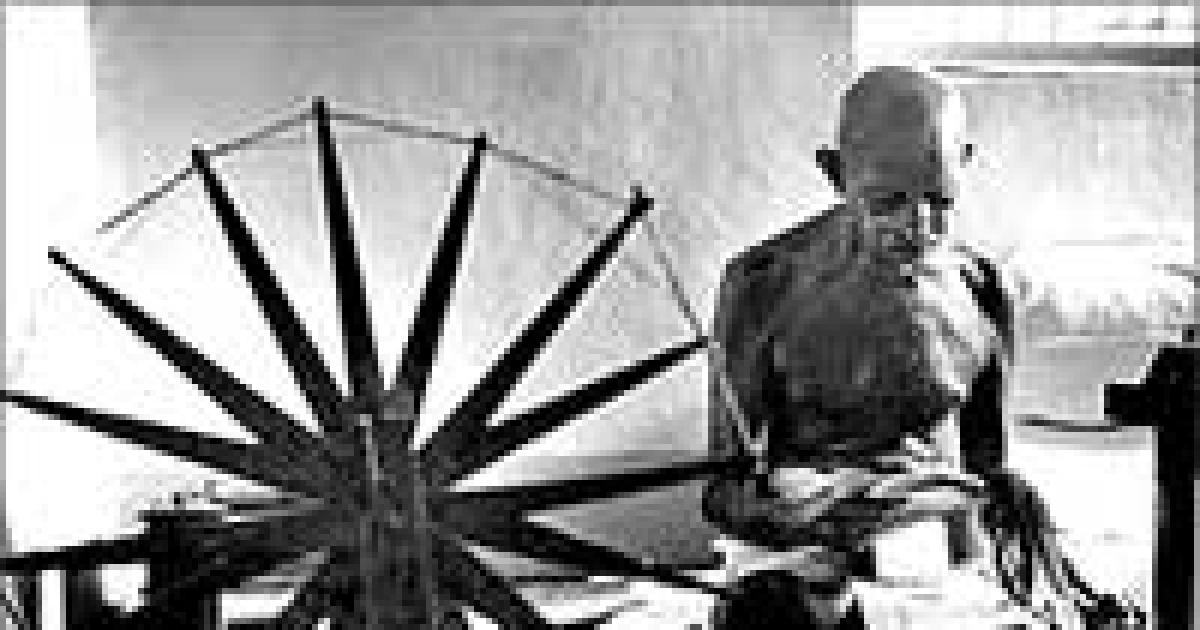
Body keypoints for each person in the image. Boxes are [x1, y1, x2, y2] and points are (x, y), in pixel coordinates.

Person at [702, 66, 1144, 629]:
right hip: (807, 560)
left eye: (941, 200)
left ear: (965, 163)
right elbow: (722, 490)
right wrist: (802, 519)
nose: (919, 224)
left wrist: (1016, 525)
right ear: (836, 173)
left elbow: (990, 471)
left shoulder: (981, 291)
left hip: (934, 562)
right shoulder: (763, 285)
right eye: (887, 201)